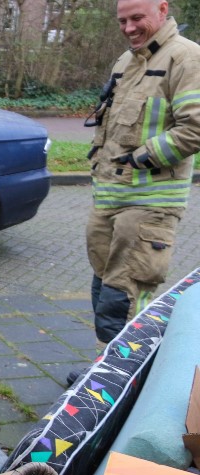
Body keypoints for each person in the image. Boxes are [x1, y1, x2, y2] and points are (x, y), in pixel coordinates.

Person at [71, 0, 200, 386]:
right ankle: (106, 367)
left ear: (162, 10)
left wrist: (137, 160)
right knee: (105, 288)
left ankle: (119, 382)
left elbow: (195, 128)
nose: (128, 28)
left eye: (136, 18)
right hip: (109, 199)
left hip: (151, 203)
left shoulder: (187, 58)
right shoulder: (125, 62)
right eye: (122, 20)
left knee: (126, 293)